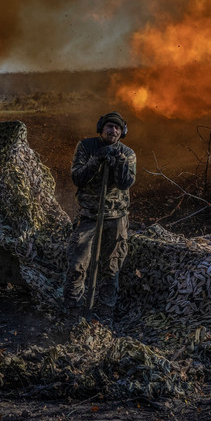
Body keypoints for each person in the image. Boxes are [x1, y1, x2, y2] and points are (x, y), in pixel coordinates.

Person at [64, 111, 137, 319]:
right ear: (101, 128)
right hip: (90, 215)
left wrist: (119, 164)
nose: (112, 130)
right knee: (77, 263)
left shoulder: (128, 153)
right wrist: (96, 161)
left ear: (122, 132)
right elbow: (77, 178)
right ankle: (73, 310)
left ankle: (105, 311)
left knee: (111, 266)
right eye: (109, 126)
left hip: (116, 217)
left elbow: (125, 183)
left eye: (117, 127)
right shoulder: (86, 147)